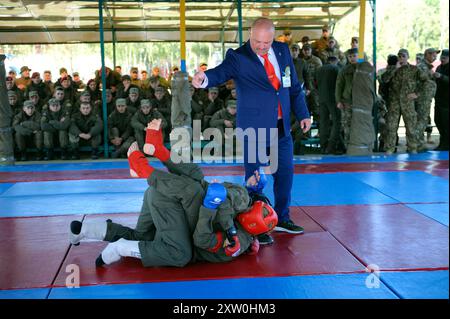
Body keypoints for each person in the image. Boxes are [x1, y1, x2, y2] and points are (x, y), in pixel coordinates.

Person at [68, 119, 274, 267]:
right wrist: (243, 194)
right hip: (168, 197)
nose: (256, 213)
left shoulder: (238, 241)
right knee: (196, 179)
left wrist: (213, 211)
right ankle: (158, 151)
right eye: (260, 208)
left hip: (166, 197)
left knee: (164, 241)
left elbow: (202, 240)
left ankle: (88, 231)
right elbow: (223, 195)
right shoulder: (241, 202)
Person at [192, 17, 311, 245]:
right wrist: (204, 78)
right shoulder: (238, 57)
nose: (262, 47)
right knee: (255, 179)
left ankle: (283, 218)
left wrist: (303, 114)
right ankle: (256, 226)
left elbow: (293, 87)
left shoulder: (283, 51)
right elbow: (220, 72)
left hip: (281, 127)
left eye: (267, 43)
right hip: (254, 129)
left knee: (285, 174)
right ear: (250, 34)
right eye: (257, 42)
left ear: (273, 38)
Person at [381, 48, 427, 154]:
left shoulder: (414, 69)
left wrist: (417, 94)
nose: (401, 58)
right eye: (399, 56)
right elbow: (384, 79)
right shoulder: (392, 69)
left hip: (408, 102)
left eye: (403, 56)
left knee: (411, 127)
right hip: (394, 103)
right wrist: (394, 69)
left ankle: (412, 148)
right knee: (391, 127)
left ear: (408, 57)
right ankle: (390, 148)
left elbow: (426, 81)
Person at [316, 56, 343, 154]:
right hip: (333, 98)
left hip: (321, 98)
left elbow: (315, 84)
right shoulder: (335, 68)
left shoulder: (319, 69)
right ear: (334, 61)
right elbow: (339, 83)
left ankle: (323, 146)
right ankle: (331, 146)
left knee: (324, 122)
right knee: (337, 121)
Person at [416, 48, 439, 151]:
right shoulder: (422, 66)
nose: (435, 57)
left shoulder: (428, 67)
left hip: (426, 98)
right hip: (422, 98)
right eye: (433, 55)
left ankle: (419, 142)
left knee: (423, 120)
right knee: (421, 120)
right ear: (427, 55)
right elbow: (420, 79)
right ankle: (417, 144)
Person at [335, 48, 358, 150]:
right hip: (347, 101)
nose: (352, 58)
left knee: (359, 125)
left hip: (361, 101)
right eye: (350, 56)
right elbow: (339, 86)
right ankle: (348, 146)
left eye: (354, 56)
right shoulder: (344, 70)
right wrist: (338, 100)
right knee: (347, 125)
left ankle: (358, 146)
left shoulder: (363, 69)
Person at [433, 49, 449, 151]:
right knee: (438, 121)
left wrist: (441, 76)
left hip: (447, 102)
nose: (442, 59)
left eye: (444, 58)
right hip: (439, 100)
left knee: (446, 123)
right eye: (441, 57)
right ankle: (443, 143)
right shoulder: (439, 67)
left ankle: (446, 144)